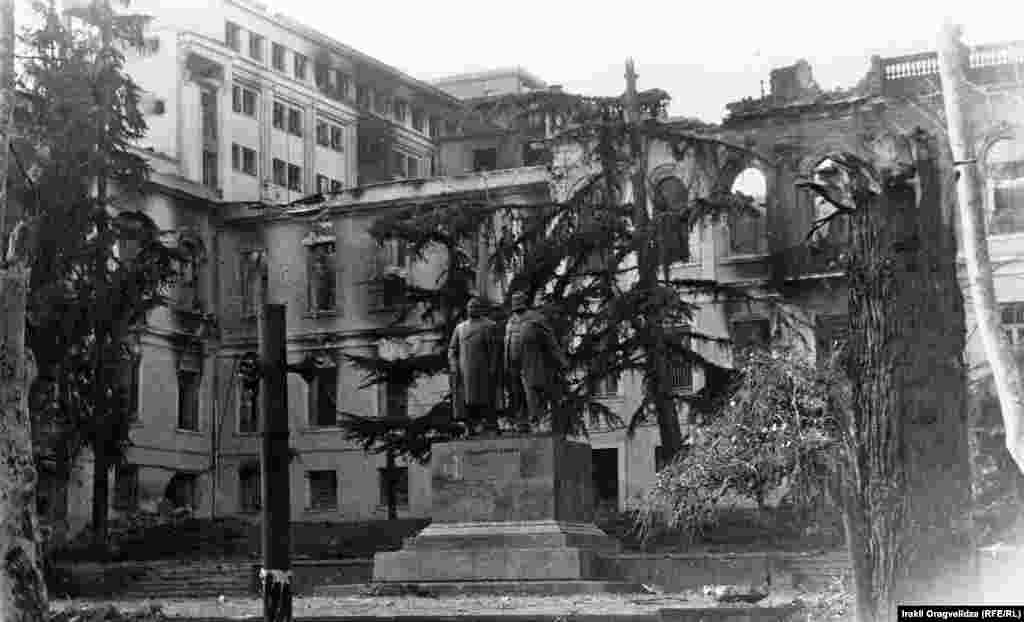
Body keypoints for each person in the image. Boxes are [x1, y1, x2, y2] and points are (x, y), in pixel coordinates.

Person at [504, 292, 568, 434]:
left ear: (524, 303)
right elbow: (508, 342)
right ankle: (521, 422)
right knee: (517, 394)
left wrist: (561, 360)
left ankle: (536, 421)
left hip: (531, 361)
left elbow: (550, 341)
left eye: (518, 302)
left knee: (533, 393)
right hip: (513, 364)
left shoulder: (536, 319)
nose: (516, 305)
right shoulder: (510, 321)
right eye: (514, 302)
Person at [448, 297, 501, 435]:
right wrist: (454, 365)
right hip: (464, 370)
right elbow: (452, 349)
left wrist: (493, 366)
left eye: (476, 307)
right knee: (467, 400)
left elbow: (495, 349)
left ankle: (490, 425)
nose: (472, 309)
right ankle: (470, 426)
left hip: (483, 369)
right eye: (470, 307)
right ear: (467, 309)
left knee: (486, 398)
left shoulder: (489, 325)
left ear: (481, 309)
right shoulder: (460, 328)